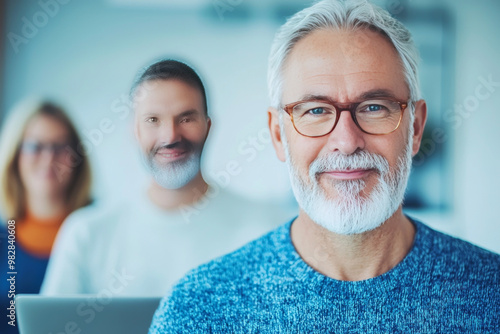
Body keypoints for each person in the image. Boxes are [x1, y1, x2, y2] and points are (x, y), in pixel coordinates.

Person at [148, 1, 500, 333]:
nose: (347, 142)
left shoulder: (491, 295)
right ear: (278, 135)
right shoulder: (199, 309)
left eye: (374, 107)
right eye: (315, 110)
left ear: (416, 129)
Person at [41, 59, 286, 297]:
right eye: (153, 120)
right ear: (135, 131)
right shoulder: (86, 235)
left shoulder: (266, 229)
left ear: (208, 127)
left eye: (186, 118)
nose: (170, 136)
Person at [0, 99, 92, 334]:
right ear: (15, 155)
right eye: (35, 146)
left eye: (61, 146)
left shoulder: (97, 229)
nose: (49, 158)